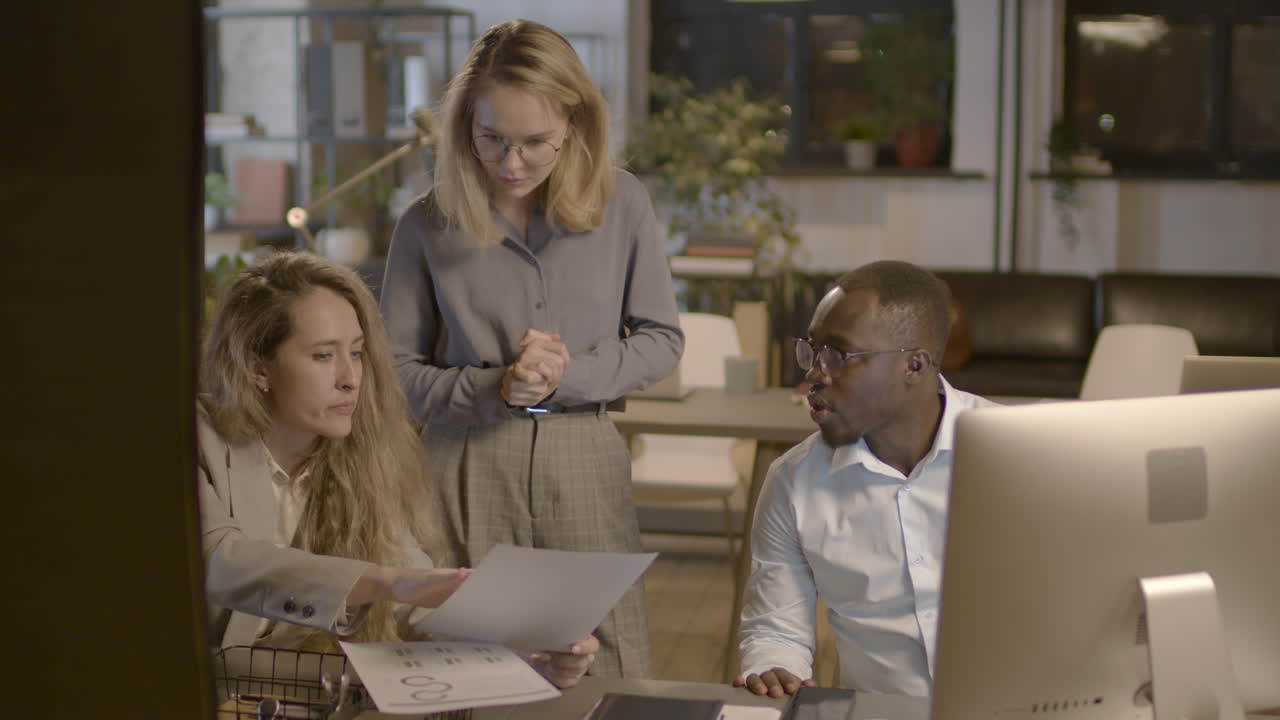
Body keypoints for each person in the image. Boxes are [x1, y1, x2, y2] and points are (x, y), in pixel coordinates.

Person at [379, 20, 683, 679]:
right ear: (465, 127)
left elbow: (661, 341)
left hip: (584, 456)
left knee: (609, 658)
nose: (510, 164)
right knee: (471, 657)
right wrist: (494, 388)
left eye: (534, 142)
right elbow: (394, 375)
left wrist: (566, 376)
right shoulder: (425, 224)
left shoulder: (624, 203)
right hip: (461, 463)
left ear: (574, 123)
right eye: (491, 139)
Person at [198, 251, 597, 687]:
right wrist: (390, 581)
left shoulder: (360, 450)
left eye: (357, 352)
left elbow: (412, 606)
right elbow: (221, 561)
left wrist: (530, 651)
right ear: (259, 368)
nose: (351, 378)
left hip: (303, 693)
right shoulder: (193, 439)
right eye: (322, 356)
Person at [734, 260, 998, 698]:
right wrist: (774, 665)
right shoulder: (792, 482)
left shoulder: (1016, 456)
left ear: (914, 365)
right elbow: (775, 628)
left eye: (838, 355)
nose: (814, 374)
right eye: (812, 352)